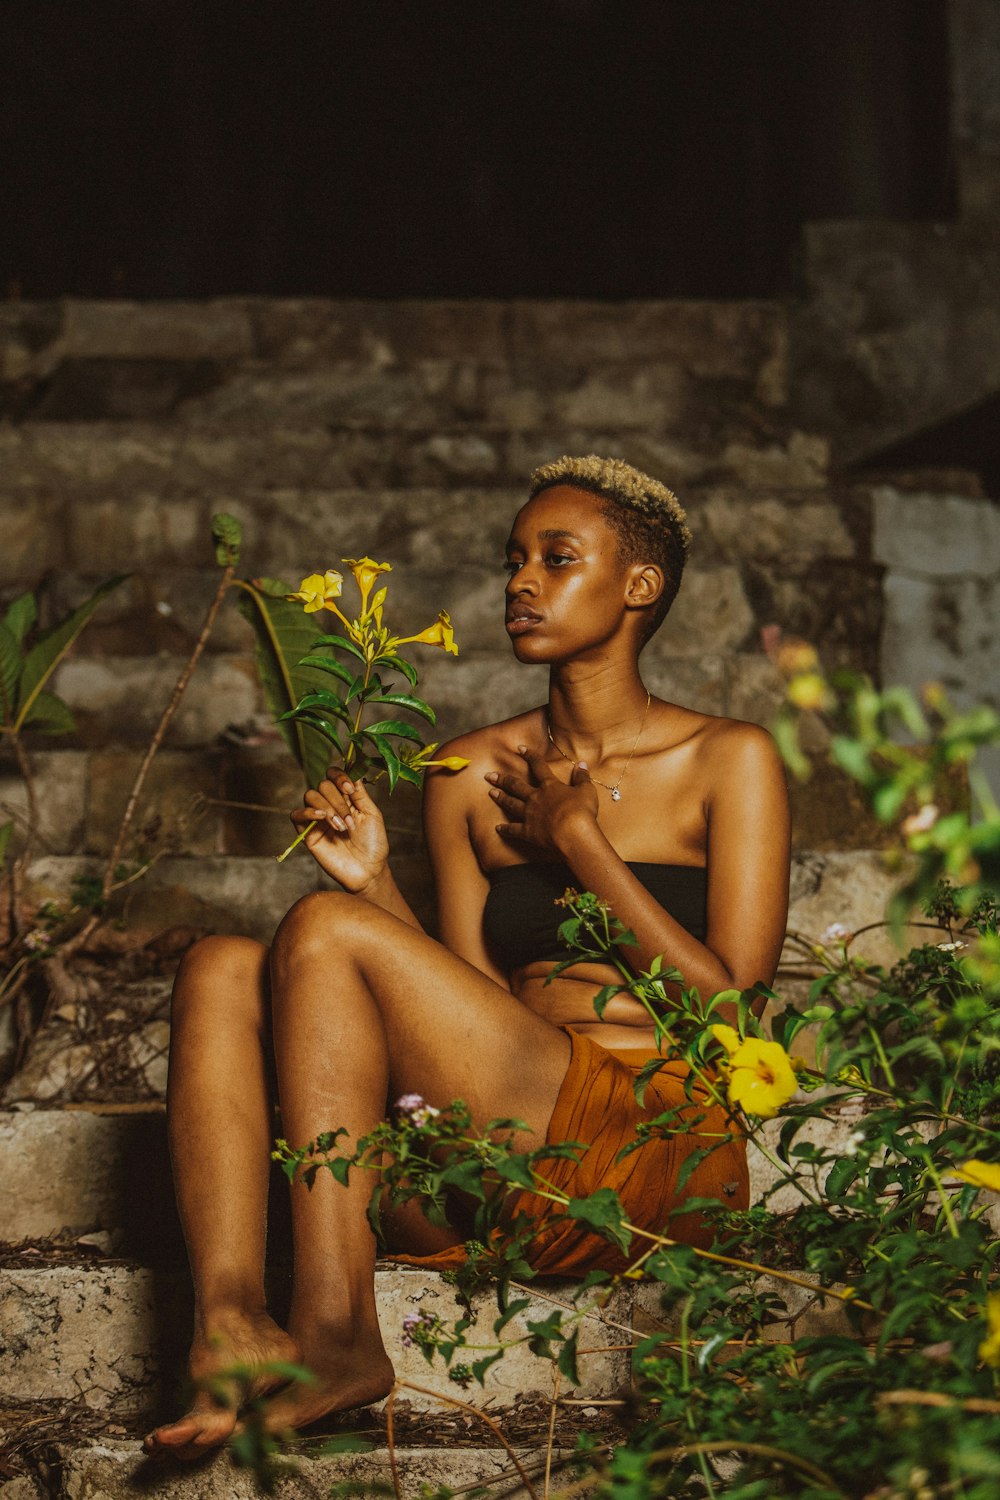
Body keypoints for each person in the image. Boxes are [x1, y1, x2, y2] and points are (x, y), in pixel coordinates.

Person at [145, 454, 790, 1459]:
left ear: (638, 586)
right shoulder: (464, 772)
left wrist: (578, 842)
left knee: (315, 931)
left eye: (556, 558)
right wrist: (376, 890)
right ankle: (229, 1323)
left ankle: (336, 1333)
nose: (518, 582)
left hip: (654, 1149)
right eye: (512, 560)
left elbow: (733, 1013)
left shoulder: (727, 758)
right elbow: (459, 1011)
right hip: (503, 1149)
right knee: (222, 965)